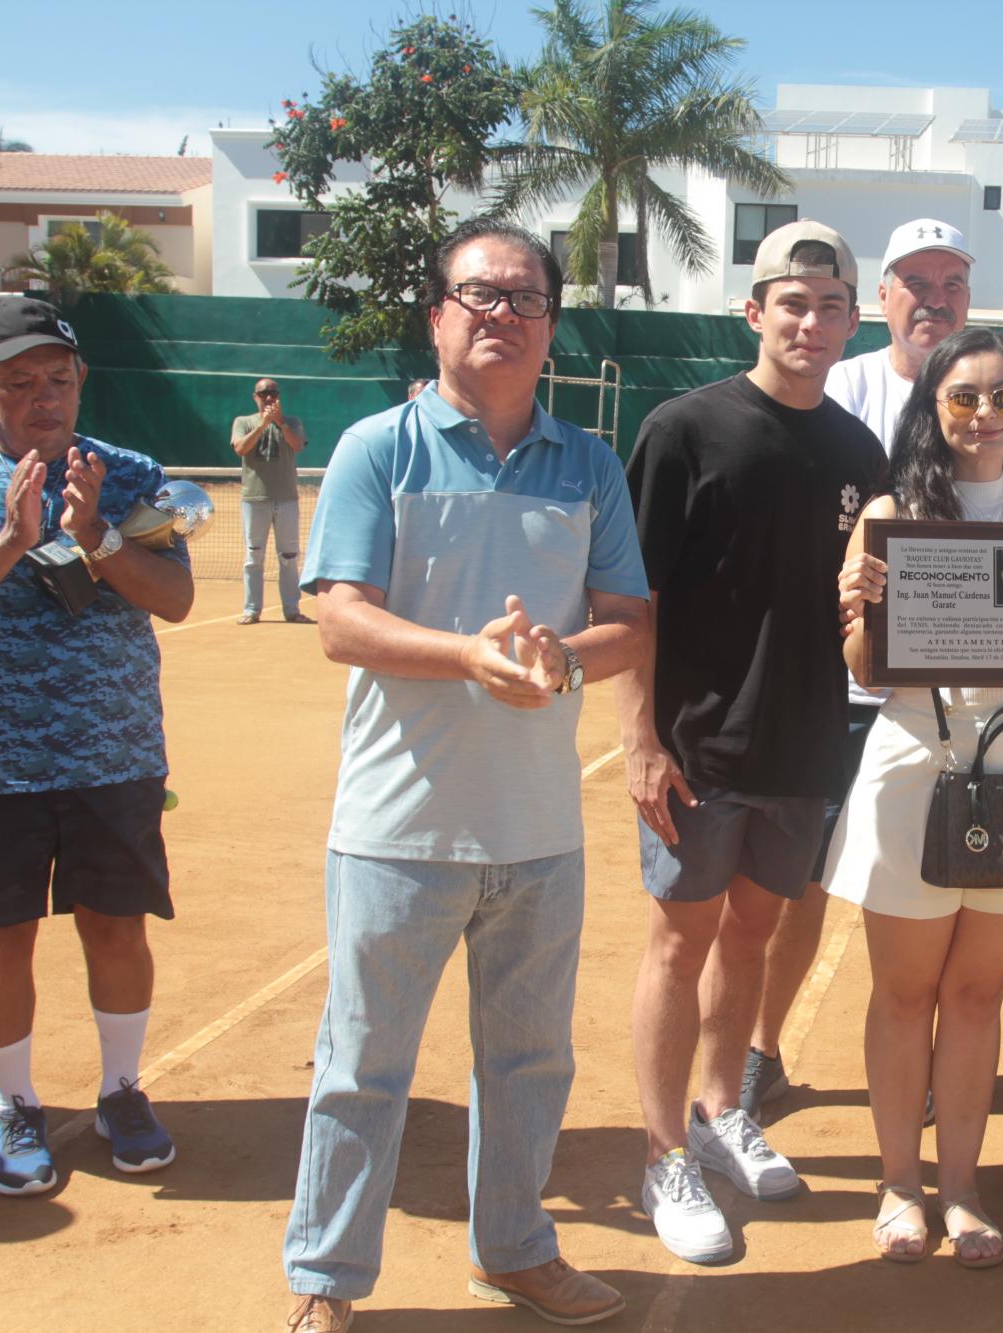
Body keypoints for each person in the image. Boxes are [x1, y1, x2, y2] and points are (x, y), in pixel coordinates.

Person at [281, 220, 650, 1333]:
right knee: (362, 1067)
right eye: (478, 295)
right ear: (438, 315)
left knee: (530, 1062)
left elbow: (629, 622)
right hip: (397, 830)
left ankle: (515, 1251)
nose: (501, 315)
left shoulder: (587, 462)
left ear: (549, 326)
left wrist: (555, 661)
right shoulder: (375, 450)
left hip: (537, 834)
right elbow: (338, 618)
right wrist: (467, 656)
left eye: (524, 299)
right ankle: (327, 1281)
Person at [622, 220, 886, 1265]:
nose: (810, 322)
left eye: (829, 306)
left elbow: (860, 620)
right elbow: (630, 597)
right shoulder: (684, 430)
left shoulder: (858, 453)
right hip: (696, 748)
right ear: (754, 311)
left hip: (804, 742)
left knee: (752, 936)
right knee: (679, 942)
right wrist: (638, 740)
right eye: (792, 302)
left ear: (849, 320)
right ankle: (659, 1154)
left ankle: (723, 1110)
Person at [0, 297, 193, 1199]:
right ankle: (14, 1105)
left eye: (59, 379)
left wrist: (97, 537)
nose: (44, 399)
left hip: (113, 754)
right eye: (18, 382)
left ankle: (120, 1089)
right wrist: (12, 539)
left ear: (81, 383)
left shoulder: (129, 474)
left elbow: (175, 597)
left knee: (116, 928)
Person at [828, 326, 1003, 1267]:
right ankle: (898, 1184)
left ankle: (962, 1189)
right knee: (904, 991)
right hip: (914, 769)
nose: (984, 414)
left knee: (976, 993)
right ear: (932, 406)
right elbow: (861, 666)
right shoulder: (890, 512)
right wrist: (858, 602)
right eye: (965, 395)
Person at [741, 218, 977, 1118]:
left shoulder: (983, 394)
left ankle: (917, 1065)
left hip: (939, 703)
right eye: (914, 280)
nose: (934, 296)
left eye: (951, 281)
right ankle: (763, 1049)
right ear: (880, 298)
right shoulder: (833, 383)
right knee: (798, 883)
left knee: (940, 880)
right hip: (827, 691)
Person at [229, 377, 310, 625]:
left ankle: (291, 609)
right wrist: (262, 425)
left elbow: (297, 445)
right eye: (263, 393)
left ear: (279, 396)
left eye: (273, 393)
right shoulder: (243, 422)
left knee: (288, 557)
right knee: (254, 557)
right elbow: (241, 449)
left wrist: (279, 422)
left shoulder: (292, 422)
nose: (268, 397)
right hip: (254, 499)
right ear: (255, 397)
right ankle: (252, 609)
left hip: (286, 499)